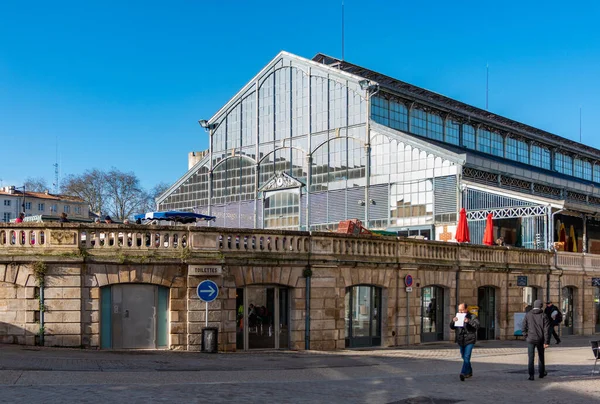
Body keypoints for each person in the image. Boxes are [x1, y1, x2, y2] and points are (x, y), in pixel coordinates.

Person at [450, 303, 480, 381]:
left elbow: (477, 325)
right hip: (461, 339)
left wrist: (468, 321)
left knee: (467, 356)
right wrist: (453, 321)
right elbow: (452, 327)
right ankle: (469, 371)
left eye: (462, 310)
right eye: (459, 310)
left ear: (466, 309)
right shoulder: (458, 316)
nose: (460, 311)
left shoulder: (472, 316)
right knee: (464, 357)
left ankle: (463, 373)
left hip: (470, 339)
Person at [522, 299, 550, 380]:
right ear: (541, 306)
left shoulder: (528, 315)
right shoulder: (544, 315)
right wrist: (546, 341)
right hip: (540, 339)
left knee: (531, 357)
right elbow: (546, 330)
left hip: (530, 339)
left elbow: (523, 327)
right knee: (541, 356)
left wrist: (526, 336)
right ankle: (541, 373)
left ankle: (531, 375)